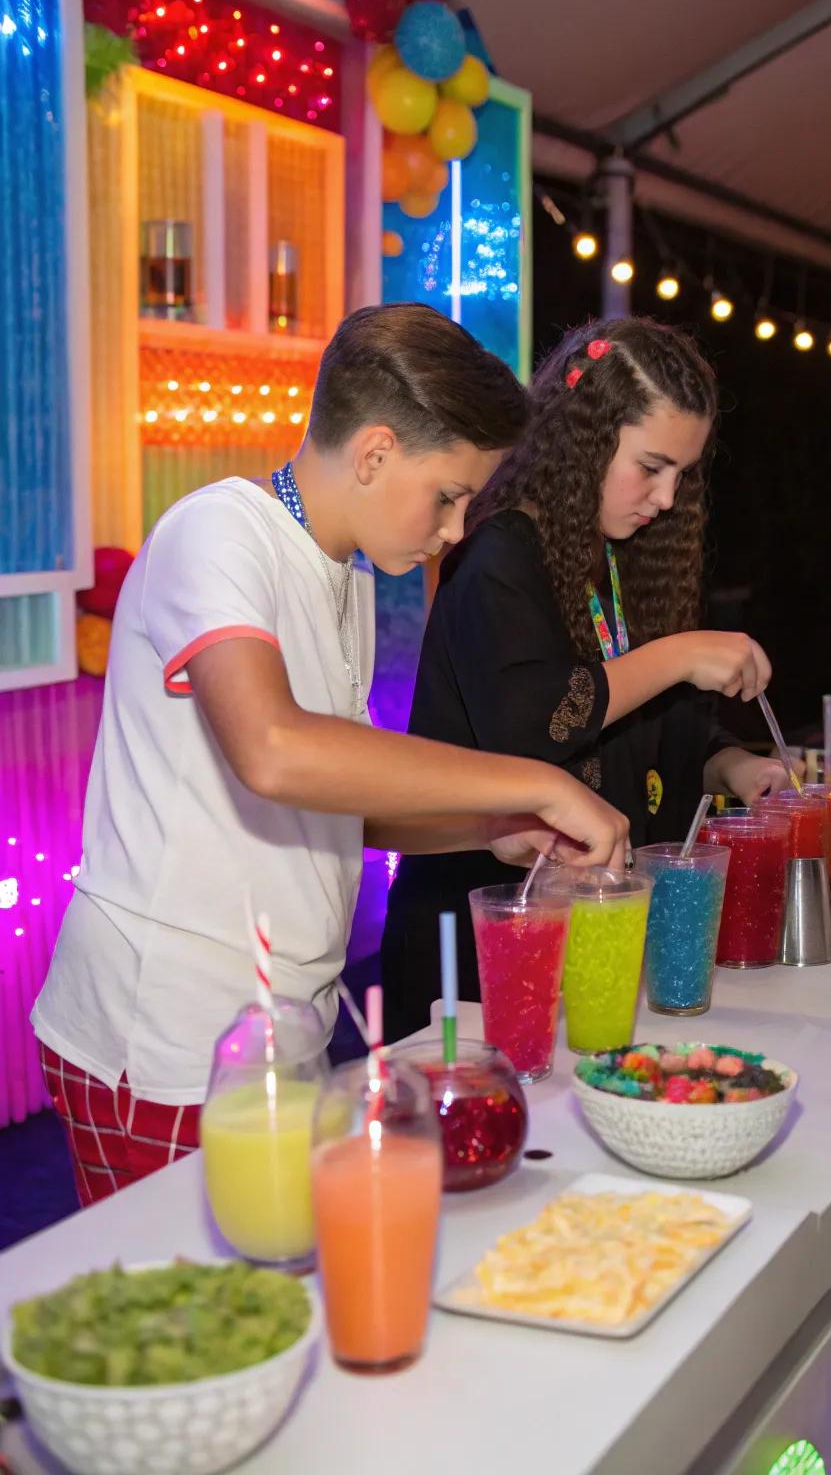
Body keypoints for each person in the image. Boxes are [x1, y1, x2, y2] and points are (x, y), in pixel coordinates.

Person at [32, 303, 627, 1205]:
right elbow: (275, 753)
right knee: (205, 1328)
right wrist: (539, 780)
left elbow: (332, 795)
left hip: (279, 1028)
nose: (458, 528)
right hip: (164, 1039)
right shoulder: (217, 531)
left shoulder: (341, 573)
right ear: (376, 452)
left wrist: (499, 823)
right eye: (450, 494)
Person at [382, 316, 789, 1042]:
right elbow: (539, 723)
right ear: (585, 439)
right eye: (652, 466)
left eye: (682, 476)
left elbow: (656, 724)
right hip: (476, 962)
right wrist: (682, 654)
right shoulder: (498, 559)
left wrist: (731, 763)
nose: (665, 498)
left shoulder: (613, 560)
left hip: (591, 943)